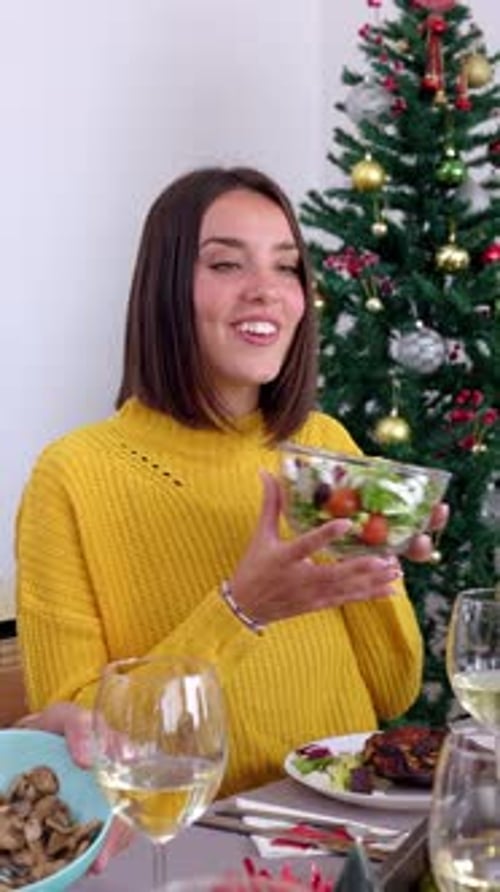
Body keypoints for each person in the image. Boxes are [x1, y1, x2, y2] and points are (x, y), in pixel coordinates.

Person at [16, 166, 447, 808]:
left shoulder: (323, 445)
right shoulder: (73, 476)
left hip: (343, 823)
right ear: (165, 289)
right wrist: (242, 608)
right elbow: (83, 741)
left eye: (286, 267)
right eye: (225, 265)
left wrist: (370, 561)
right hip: (188, 839)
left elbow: (392, 691)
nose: (266, 291)